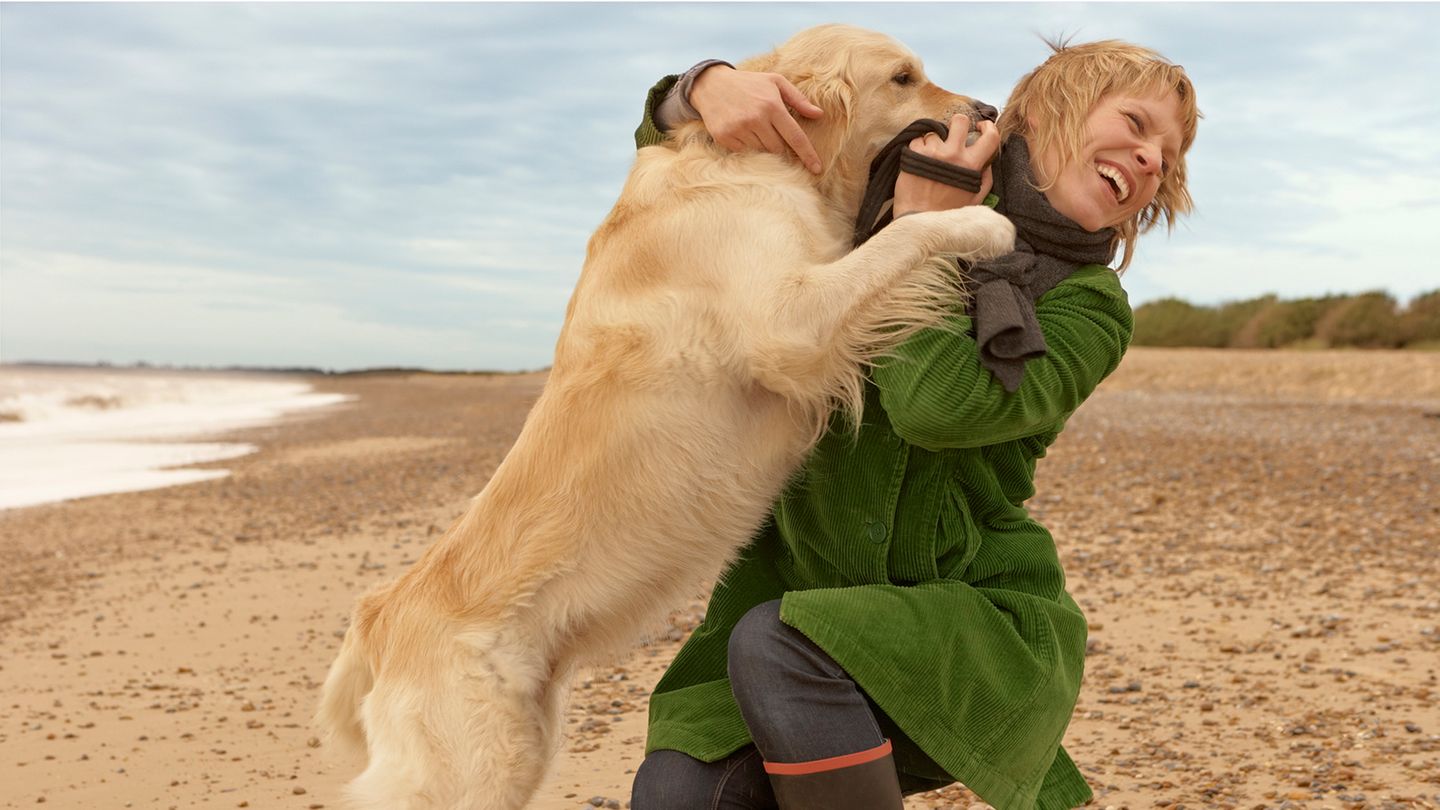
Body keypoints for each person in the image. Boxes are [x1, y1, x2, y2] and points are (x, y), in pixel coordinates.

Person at [627, 34, 1199, 810]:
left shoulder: (1092, 307)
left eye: (1166, 154)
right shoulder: (894, 167)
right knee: (678, 794)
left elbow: (940, 407)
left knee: (780, 641)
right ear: (1041, 112)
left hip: (966, 621)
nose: (1149, 157)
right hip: (795, 585)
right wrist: (701, 86)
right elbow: (693, 143)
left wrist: (918, 239)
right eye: (1134, 122)